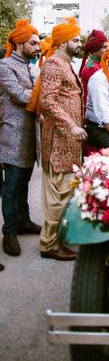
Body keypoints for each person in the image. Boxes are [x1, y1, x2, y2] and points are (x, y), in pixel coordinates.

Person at [38, 17, 86, 261]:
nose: (79, 44)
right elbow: (46, 101)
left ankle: (58, 238)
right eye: (76, 40)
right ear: (63, 41)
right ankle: (49, 245)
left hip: (69, 141)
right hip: (58, 142)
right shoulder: (53, 65)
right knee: (57, 195)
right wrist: (71, 125)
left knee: (67, 191)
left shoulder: (66, 64)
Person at [0, 20, 41, 258]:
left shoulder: (32, 67)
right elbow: (19, 94)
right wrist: (40, 96)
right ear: (19, 43)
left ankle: (24, 221)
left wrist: (37, 95)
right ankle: (9, 232)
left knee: (24, 180)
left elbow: (33, 94)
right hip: (12, 133)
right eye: (33, 43)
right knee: (12, 185)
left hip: (29, 134)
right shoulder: (4, 66)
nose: (37, 47)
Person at [79, 29, 108, 107]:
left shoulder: (100, 64)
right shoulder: (91, 68)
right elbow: (101, 94)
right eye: (104, 47)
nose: (108, 50)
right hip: (94, 113)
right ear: (94, 51)